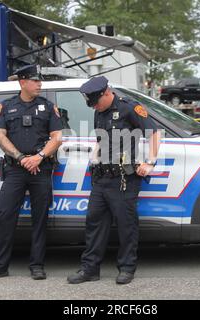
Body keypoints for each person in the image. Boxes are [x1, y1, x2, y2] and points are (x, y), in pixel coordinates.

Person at [67, 76, 161, 285]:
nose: (95, 107)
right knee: (94, 223)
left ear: (107, 93)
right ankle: (90, 269)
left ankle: (127, 268)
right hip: (101, 178)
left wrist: (150, 162)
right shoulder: (99, 112)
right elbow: (102, 139)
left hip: (123, 179)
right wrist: (95, 156)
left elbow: (154, 133)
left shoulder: (130, 108)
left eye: (96, 102)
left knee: (126, 225)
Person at [0, 65, 63, 280]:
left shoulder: (47, 107)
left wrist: (39, 157)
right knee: (6, 216)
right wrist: (21, 158)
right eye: (35, 80)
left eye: (40, 80)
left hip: (41, 169)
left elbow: (57, 138)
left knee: (40, 218)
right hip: (15, 170)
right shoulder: (6, 106)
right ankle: (0, 266)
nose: (39, 84)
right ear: (22, 82)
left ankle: (37, 265)